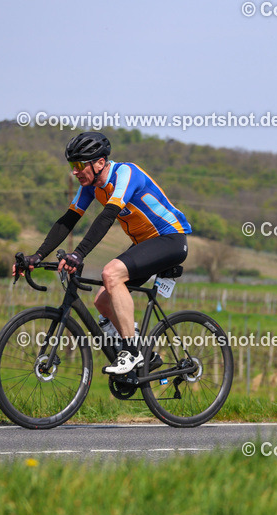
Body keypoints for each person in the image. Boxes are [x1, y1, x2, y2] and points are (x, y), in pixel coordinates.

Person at [16, 132, 191, 375]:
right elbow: (68, 220)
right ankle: (144, 354)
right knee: (102, 300)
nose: (75, 172)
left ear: (100, 163)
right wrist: (37, 256)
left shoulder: (126, 174)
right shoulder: (91, 186)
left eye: (79, 165)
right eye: (72, 166)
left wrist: (78, 254)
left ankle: (131, 352)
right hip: (145, 243)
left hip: (170, 239)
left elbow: (107, 216)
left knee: (111, 273)